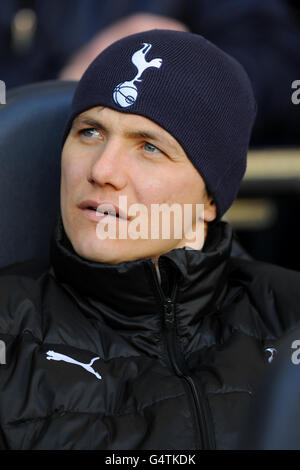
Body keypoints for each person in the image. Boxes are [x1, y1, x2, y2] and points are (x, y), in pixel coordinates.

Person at [1, 29, 300, 451]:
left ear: (210, 199)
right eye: (90, 131)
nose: (103, 170)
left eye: (149, 147)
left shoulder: (290, 319)